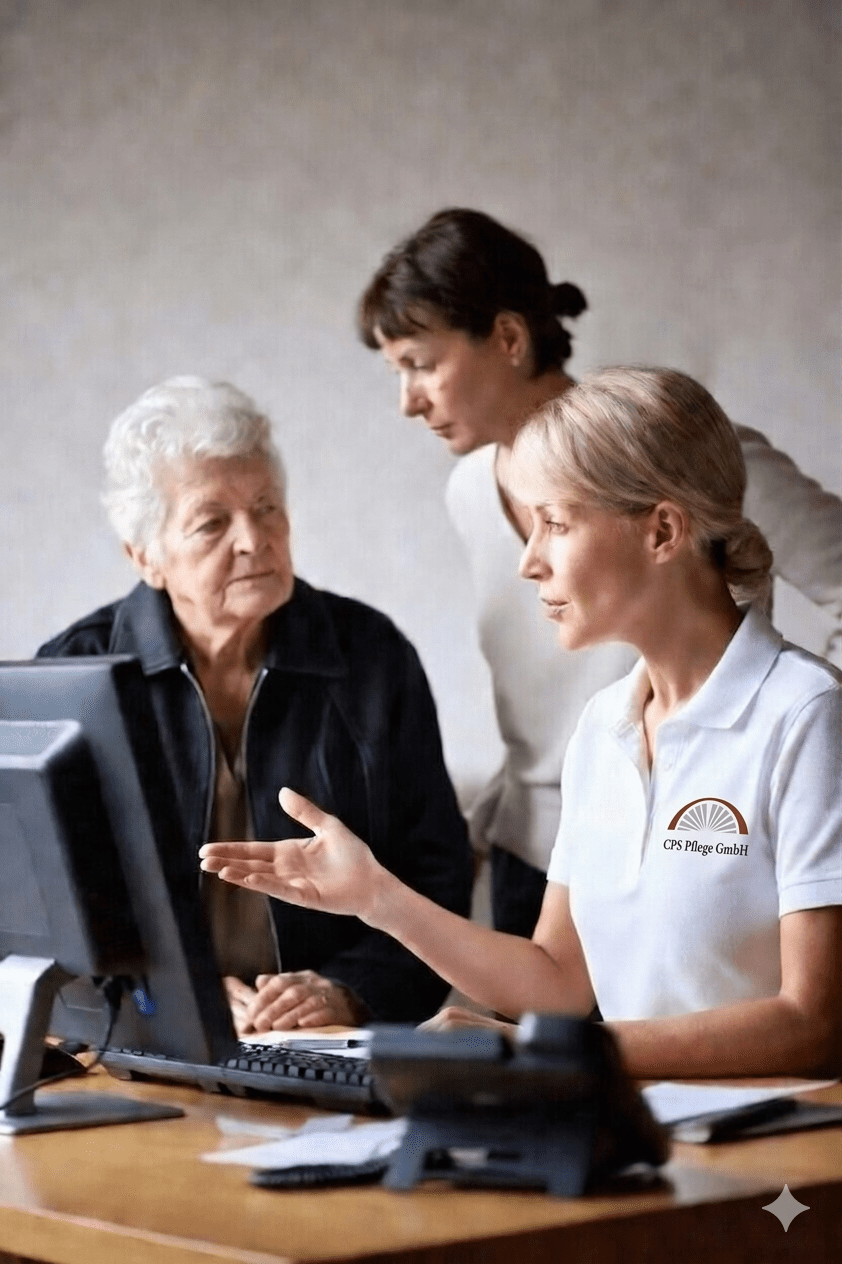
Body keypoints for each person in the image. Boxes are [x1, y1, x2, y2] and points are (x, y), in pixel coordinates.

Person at [200, 368, 842, 1079]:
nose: (529, 562)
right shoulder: (604, 727)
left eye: (556, 524)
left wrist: (541, 1051)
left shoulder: (807, 718)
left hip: (786, 1165)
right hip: (644, 1142)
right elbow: (560, 983)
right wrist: (378, 897)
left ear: (662, 530)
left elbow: (815, 1023)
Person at [359, 207, 842, 942]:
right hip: (537, 865)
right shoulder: (467, 491)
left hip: (698, 850)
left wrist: (809, 748)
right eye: (396, 372)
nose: (408, 401)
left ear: (510, 338)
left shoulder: (692, 461)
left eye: (421, 364)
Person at [37, 376, 473, 1034]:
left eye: (267, 507)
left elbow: (436, 877)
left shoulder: (373, 660)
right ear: (145, 557)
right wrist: (177, 996)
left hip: (324, 1041)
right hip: (136, 1042)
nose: (254, 537)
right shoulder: (71, 679)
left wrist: (348, 990)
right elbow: (36, 906)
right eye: (213, 521)